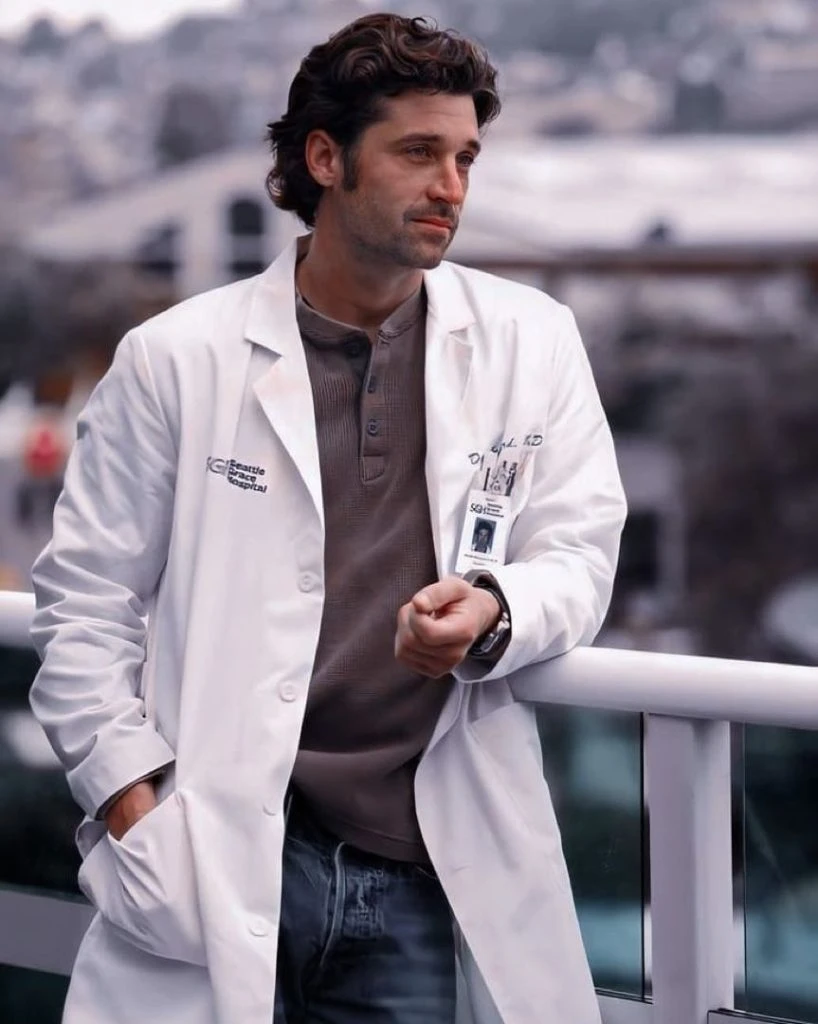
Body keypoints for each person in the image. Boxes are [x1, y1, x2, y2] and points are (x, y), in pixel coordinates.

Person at [29, 13, 627, 1024]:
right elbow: (83, 609)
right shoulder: (176, 360)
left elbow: (580, 550)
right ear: (324, 159)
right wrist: (134, 805)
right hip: (219, 850)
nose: (451, 187)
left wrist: (495, 606)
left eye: (465, 158)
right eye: (418, 152)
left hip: (421, 869)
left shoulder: (533, 340)